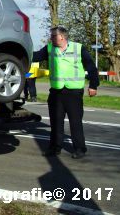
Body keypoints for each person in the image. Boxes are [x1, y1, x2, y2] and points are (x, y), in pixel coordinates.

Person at [33, 26, 98, 159]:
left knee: (75, 122)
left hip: (73, 92)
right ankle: (55, 148)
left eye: (53, 36)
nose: (50, 38)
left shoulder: (78, 48)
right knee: (56, 122)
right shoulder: (50, 48)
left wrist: (93, 85)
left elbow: (91, 66)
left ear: (61, 36)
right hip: (56, 92)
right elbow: (36, 56)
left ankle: (80, 149)